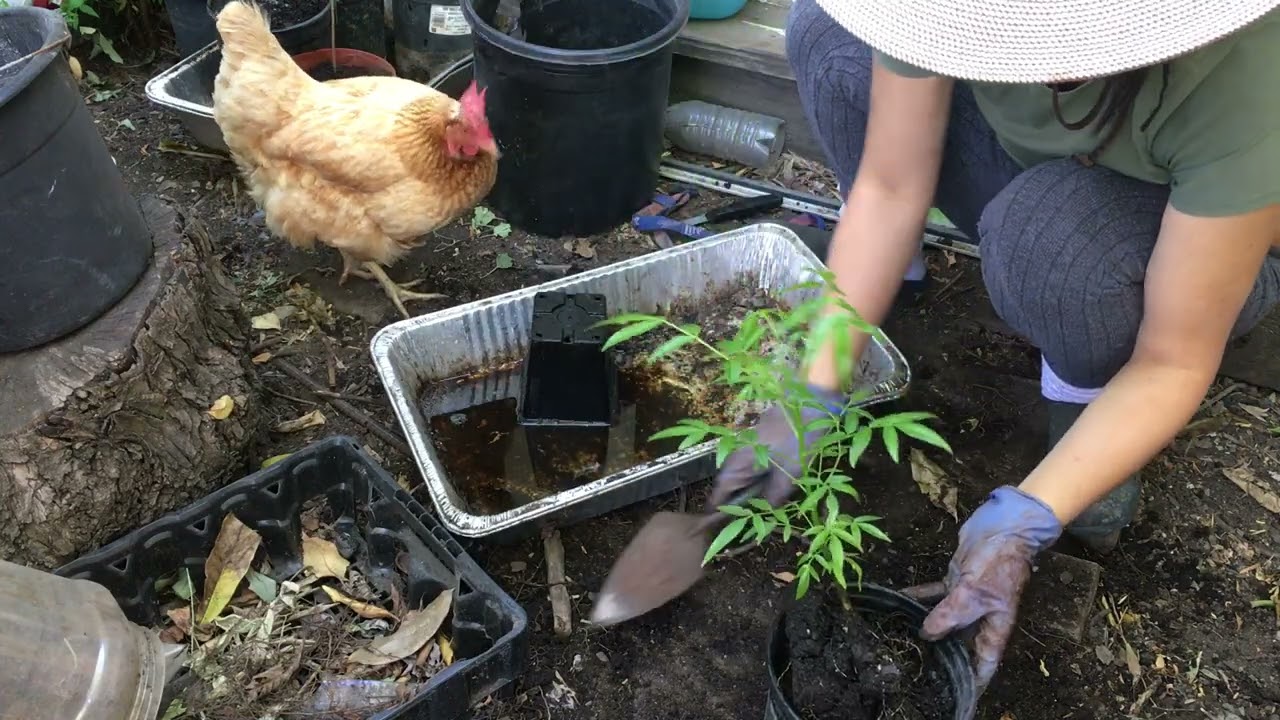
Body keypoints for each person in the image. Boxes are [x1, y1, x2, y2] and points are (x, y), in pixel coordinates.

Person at [708, 0, 1280, 693]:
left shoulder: (1246, 69)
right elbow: (889, 184)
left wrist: (1029, 515)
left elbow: (1175, 357)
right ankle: (889, 286)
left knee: (1054, 245)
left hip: (1196, 244)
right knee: (835, 37)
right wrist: (816, 379)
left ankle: (1088, 405)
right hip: (1039, 164)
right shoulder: (948, 12)